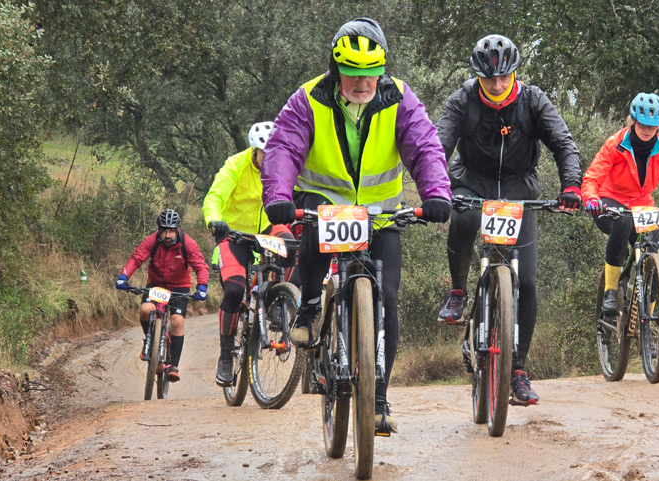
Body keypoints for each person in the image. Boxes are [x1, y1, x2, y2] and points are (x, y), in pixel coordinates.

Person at [261, 17, 452, 432]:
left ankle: (379, 398)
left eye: (370, 74)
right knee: (311, 228)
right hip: (323, 204)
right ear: (336, 69)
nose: (362, 83)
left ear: (381, 70)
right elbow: (284, 146)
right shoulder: (308, 98)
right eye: (352, 74)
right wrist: (277, 196)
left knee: (388, 299)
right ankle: (311, 305)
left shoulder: (400, 97)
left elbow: (423, 145)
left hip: (381, 213)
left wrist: (437, 192)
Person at [435, 34, 583, 405]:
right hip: (473, 182)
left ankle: (517, 369)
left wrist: (572, 186)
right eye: (489, 79)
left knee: (528, 283)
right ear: (477, 77)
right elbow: (438, 146)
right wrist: (435, 189)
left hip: (519, 191)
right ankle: (457, 291)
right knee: (463, 215)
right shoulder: (462, 101)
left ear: (515, 73)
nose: (498, 86)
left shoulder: (533, 100)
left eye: (504, 77)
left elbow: (564, 143)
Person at [582, 92, 659, 316]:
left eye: (653, 125)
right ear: (633, 121)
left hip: (642, 206)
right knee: (621, 224)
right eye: (642, 124)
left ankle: (650, 311)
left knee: (653, 245)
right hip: (609, 201)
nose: (647, 130)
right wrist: (591, 197)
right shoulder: (615, 144)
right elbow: (592, 177)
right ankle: (611, 290)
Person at [202, 121, 296, 387]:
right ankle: (225, 355)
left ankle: (278, 300)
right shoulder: (235, 165)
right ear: (254, 152)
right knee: (233, 290)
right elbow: (214, 197)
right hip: (235, 235)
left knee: (290, 243)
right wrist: (214, 221)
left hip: (267, 232)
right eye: (264, 154)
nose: (269, 160)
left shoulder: (282, 165)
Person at [116, 208, 209, 382]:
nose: (168, 235)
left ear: (177, 230)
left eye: (171, 231)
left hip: (179, 287)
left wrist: (202, 287)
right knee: (145, 310)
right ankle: (150, 341)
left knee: (177, 321)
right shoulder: (152, 241)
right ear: (159, 229)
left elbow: (200, 265)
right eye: (164, 230)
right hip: (156, 285)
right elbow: (137, 258)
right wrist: (124, 276)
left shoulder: (187, 243)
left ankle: (173, 365)